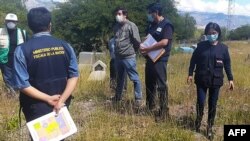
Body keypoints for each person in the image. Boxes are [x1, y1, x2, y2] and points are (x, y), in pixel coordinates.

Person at [13, 7, 79, 131]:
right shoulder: (66, 46)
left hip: (36, 107)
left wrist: (48, 99)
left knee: (42, 137)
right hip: (61, 104)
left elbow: (22, 84)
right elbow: (73, 76)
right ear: (50, 25)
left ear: (30, 26)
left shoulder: (22, 50)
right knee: (59, 135)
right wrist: (61, 100)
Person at [187, 22, 234, 139]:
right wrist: (190, 74)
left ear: (218, 33)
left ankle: (209, 127)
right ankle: (198, 121)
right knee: (201, 102)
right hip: (201, 79)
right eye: (209, 33)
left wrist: (231, 79)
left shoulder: (223, 48)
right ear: (206, 34)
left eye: (214, 33)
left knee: (213, 105)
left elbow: (227, 65)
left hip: (216, 81)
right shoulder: (201, 46)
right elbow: (193, 61)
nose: (211, 35)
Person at [140, 3, 174, 122]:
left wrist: (149, 48)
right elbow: (149, 37)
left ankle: (164, 111)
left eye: (150, 12)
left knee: (161, 85)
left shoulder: (167, 25)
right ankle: (150, 106)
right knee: (149, 83)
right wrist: (144, 44)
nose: (149, 15)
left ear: (157, 12)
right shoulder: (151, 24)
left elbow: (164, 42)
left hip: (160, 59)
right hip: (150, 58)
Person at [111, 7, 142, 107]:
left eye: (119, 14)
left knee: (134, 78)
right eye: (116, 14)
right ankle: (118, 97)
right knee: (120, 78)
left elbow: (137, 41)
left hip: (128, 57)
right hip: (118, 57)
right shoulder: (116, 27)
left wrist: (136, 52)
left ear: (125, 15)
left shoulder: (131, 26)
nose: (117, 16)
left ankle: (138, 99)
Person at [0, 13, 27, 95]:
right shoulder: (0, 31)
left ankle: (19, 94)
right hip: (5, 61)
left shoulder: (22, 33)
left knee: (19, 78)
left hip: (19, 61)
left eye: (13, 21)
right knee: (8, 79)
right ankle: (12, 95)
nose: (10, 23)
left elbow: (27, 47)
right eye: (9, 21)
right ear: (5, 21)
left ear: (16, 22)